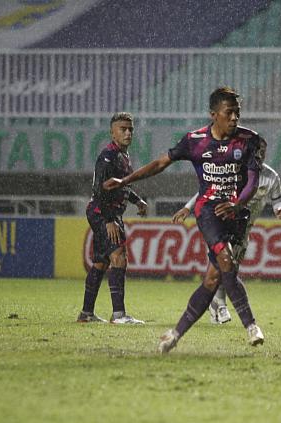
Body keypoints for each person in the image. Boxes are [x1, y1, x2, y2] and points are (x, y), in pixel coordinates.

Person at [106, 86, 265, 353]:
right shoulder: (195, 140)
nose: (236, 118)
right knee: (225, 260)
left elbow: (253, 182)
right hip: (209, 212)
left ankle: (175, 334)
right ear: (214, 114)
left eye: (238, 112)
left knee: (214, 278)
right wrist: (125, 180)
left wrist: (237, 205)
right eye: (230, 113)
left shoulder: (249, 140)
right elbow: (159, 164)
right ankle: (251, 326)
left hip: (237, 215)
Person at [172, 138, 281, 324]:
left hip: (244, 227)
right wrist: (188, 207)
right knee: (225, 263)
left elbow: (277, 200)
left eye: (261, 152)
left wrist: (280, 210)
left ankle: (215, 304)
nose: (258, 155)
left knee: (231, 267)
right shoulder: (235, 170)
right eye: (255, 151)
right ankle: (221, 305)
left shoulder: (271, 177)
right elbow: (209, 190)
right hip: (223, 222)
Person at [77, 112, 148, 324]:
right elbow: (100, 188)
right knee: (119, 256)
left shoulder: (123, 155)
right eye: (122, 129)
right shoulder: (107, 156)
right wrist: (109, 219)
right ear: (112, 132)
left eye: (130, 129)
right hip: (103, 212)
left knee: (101, 262)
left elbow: (121, 185)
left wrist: (137, 201)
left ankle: (86, 313)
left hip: (106, 212)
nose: (127, 133)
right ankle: (119, 315)